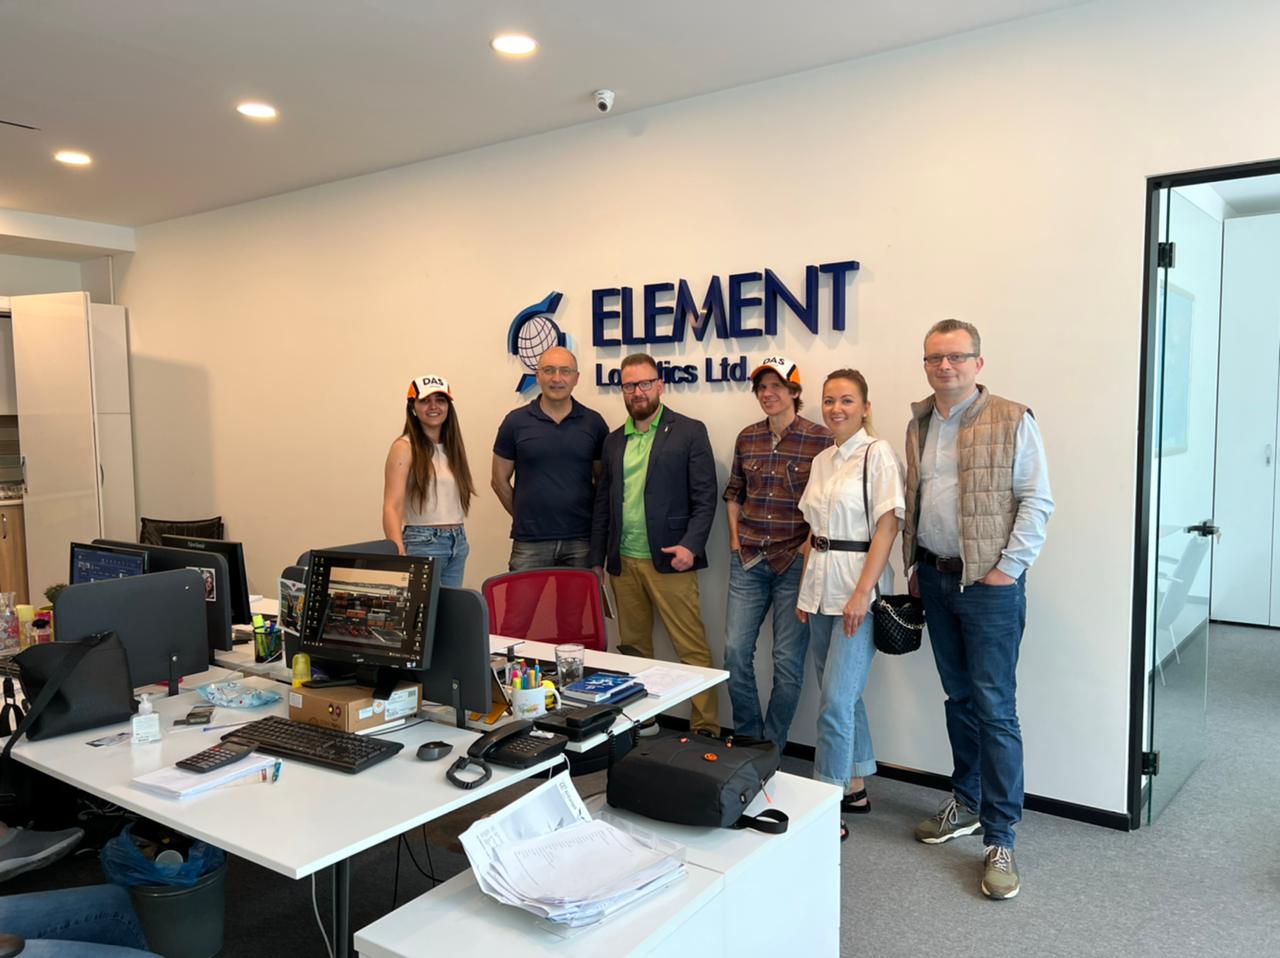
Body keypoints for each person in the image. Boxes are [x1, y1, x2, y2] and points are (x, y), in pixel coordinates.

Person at [903, 319, 1054, 901]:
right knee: (959, 699)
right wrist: (914, 565)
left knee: (995, 709)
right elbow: (919, 498)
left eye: (957, 357)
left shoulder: (1013, 418)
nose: (945, 366)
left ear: (978, 363)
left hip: (989, 588)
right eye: (934, 358)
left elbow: (1037, 499)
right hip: (936, 579)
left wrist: (1006, 569)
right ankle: (966, 802)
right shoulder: (920, 422)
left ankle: (1001, 837)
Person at [795, 369, 903, 842]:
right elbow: (814, 534)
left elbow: (887, 527)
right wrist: (805, 589)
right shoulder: (823, 460)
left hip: (857, 587)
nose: (836, 408)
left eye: (846, 400)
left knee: (835, 702)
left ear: (865, 407)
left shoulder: (877, 454)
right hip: (820, 586)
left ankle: (827, 804)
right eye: (829, 400)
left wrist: (863, 592)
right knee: (841, 696)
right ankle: (855, 786)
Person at [590, 353, 720, 735]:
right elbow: (603, 504)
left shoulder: (689, 431)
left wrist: (691, 546)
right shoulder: (614, 441)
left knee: (690, 647)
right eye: (629, 385)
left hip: (671, 559)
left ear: (660, 385)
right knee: (633, 649)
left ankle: (706, 727)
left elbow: (706, 496)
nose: (638, 392)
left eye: (645, 383)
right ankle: (641, 720)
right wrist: (597, 559)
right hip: (623, 562)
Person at [722, 357, 832, 750]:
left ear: (795, 392)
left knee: (787, 662)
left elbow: (830, 502)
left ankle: (772, 746)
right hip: (748, 560)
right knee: (735, 653)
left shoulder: (821, 440)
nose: (768, 394)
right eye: (762, 388)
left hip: (795, 564)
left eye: (777, 387)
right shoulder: (747, 437)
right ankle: (748, 736)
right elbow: (734, 493)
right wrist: (735, 539)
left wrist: (808, 545)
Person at [491, 347, 609, 638]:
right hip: (530, 542)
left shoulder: (594, 423)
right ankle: (506, 670)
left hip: (580, 542)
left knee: (573, 625)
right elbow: (499, 480)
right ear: (537, 375)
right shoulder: (515, 422)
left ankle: (569, 671)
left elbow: (601, 483)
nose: (557, 378)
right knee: (515, 623)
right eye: (549, 370)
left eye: (565, 371)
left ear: (576, 378)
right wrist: (526, 515)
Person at [382, 375, 477, 588]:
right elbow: (392, 506)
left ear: (448, 407)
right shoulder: (404, 447)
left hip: (457, 542)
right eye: (425, 401)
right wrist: (398, 552)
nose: (434, 406)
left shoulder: (452, 448)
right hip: (422, 543)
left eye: (440, 400)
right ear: (413, 407)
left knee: (449, 607)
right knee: (424, 609)